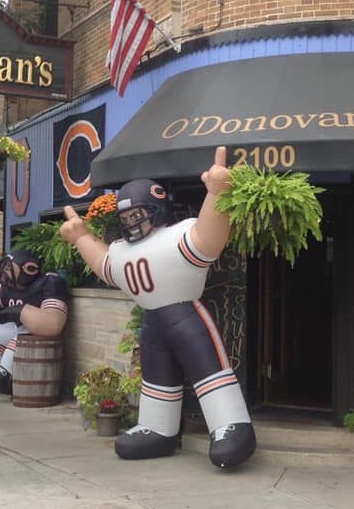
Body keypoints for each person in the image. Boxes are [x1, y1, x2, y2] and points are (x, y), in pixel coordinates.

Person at [59, 147, 256, 469]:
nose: (131, 223)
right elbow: (103, 264)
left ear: (158, 209)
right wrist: (81, 236)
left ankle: (230, 424)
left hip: (186, 315)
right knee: (156, 376)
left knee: (209, 369)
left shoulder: (178, 235)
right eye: (125, 218)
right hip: (154, 321)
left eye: (137, 215)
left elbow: (209, 238)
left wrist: (217, 193)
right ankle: (158, 428)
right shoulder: (122, 249)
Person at [0, 250, 70, 394]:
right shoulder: (11, 288)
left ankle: (5, 372)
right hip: (18, 332)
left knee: (21, 335)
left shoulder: (48, 284)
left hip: (34, 337)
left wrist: (21, 311)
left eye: (9, 267)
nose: (5, 272)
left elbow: (53, 324)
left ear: (29, 269)